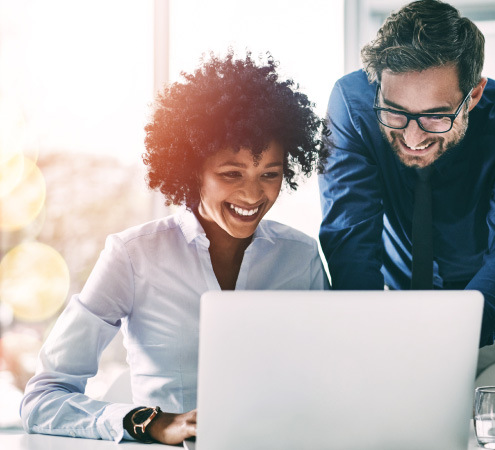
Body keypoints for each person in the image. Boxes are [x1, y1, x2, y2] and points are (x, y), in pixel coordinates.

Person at [20, 51, 329, 444]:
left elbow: (329, 379)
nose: (253, 194)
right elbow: (42, 399)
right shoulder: (133, 256)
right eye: (231, 173)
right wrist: (153, 422)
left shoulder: (300, 257)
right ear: (192, 169)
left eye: (270, 174)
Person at [318, 0, 495, 370]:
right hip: (391, 301)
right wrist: (363, 332)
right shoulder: (352, 104)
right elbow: (350, 234)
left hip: (493, 311)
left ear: (473, 95)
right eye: (395, 111)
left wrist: (444, 340)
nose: (413, 137)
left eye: (435, 116)